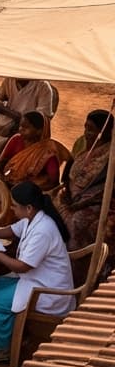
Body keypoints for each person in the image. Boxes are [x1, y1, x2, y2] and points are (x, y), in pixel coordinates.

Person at [0, 182, 75, 362]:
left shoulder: (43, 230)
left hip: (47, 290)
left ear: (28, 208)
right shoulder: (32, 218)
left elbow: (22, 266)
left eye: (15, 206)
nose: (12, 208)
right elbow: (13, 230)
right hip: (34, 279)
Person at [58, 110, 115, 261]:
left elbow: (105, 189)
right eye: (86, 128)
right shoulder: (83, 148)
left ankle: (75, 268)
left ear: (104, 131)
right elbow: (69, 177)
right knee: (48, 212)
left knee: (76, 222)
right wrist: (67, 196)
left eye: (92, 129)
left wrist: (81, 203)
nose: (87, 133)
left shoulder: (110, 154)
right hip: (73, 200)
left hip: (96, 203)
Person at [0, 77, 54, 169]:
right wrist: (13, 115)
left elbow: (43, 116)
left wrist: (22, 122)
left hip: (29, 125)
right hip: (6, 120)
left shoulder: (43, 86)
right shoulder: (9, 80)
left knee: (5, 143)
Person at [0, 110, 67, 191]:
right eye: (20, 126)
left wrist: (29, 185)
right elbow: (1, 162)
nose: (20, 129)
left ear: (39, 131)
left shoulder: (48, 151)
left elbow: (53, 181)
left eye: (25, 127)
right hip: (7, 183)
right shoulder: (16, 139)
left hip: (30, 191)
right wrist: (3, 180)